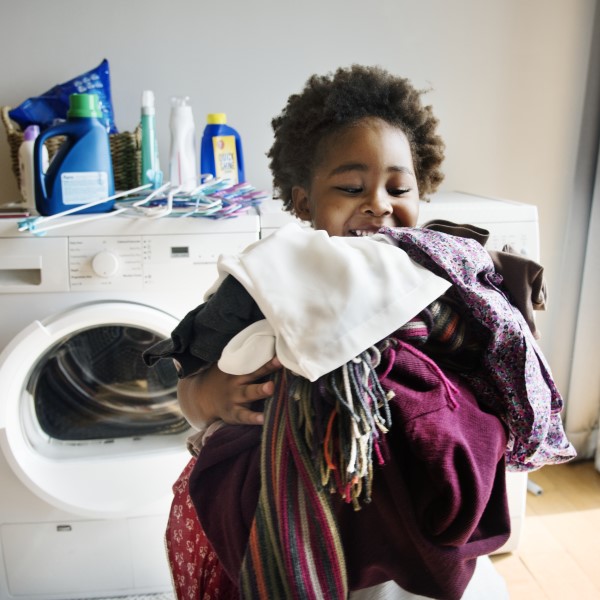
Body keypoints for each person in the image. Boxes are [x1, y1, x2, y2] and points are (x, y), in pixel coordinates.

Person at [144, 65, 575, 600]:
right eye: (351, 187)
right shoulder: (270, 275)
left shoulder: (438, 274)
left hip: (423, 520)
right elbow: (190, 383)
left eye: (399, 187)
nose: (378, 203)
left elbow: (498, 363)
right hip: (300, 508)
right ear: (304, 203)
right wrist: (211, 394)